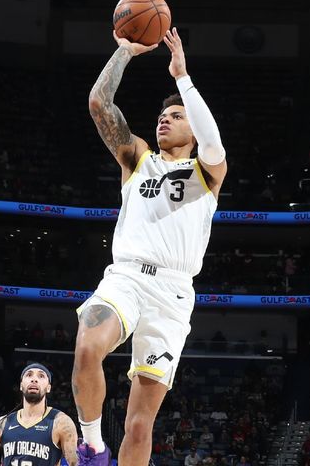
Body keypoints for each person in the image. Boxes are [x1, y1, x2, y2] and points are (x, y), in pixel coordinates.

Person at [72, 28, 227, 466]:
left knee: (140, 426)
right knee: (87, 348)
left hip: (174, 294)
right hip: (126, 276)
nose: (165, 120)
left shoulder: (208, 172)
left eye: (176, 117)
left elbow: (214, 142)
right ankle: (91, 446)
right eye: (163, 116)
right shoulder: (138, 158)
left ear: (191, 129)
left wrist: (183, 79)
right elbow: (99, 105)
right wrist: (124, 51)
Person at [0, 363, 79, 466]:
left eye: (41, 376)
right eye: (29, 375)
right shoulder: (3, 423)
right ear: (21, 385)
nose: (34, 379)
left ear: (48, 388)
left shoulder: (61, 422)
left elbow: (75, 462)